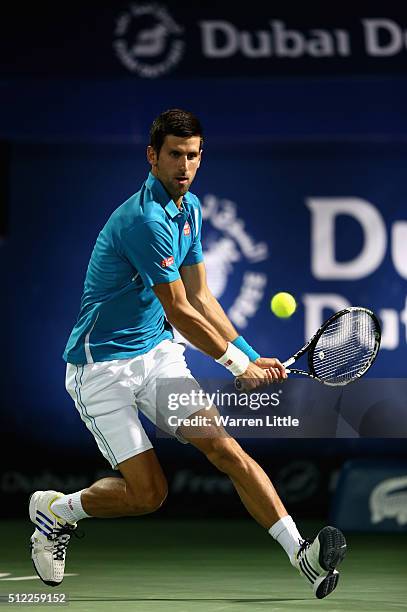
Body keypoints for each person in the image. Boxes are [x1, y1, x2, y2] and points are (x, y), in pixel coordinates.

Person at [29, 109, 346, 598]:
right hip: (101, 370)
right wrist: (237, 367)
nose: (184, 165)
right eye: (174, 154)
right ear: (152, 156)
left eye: (193, 155)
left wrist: (249, 353)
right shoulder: (143, 220)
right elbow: (178, 310)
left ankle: (300, 553)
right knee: (148, 494)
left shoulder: (190, 209)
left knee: (225, 449)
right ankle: (57, 511)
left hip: (157, 357)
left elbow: (202, 298)